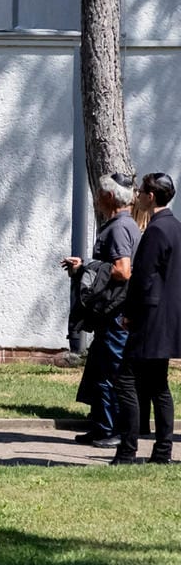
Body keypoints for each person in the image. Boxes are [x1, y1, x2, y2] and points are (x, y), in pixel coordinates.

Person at [64, 172, 139, 447]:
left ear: (108, 197)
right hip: (111, 312)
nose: (95, 199)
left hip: (114, 312)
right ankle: (100, 426)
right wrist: (83, 266)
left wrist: (89, 268)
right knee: (98, 371)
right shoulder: (122, 225)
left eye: (98, 194)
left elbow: (122, 270)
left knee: (110, 374)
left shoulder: (119, 228)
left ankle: (111, 431)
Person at [115, 173, 180, 465]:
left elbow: (143, 277)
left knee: (124, 380)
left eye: (140, 191)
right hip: (167, 319)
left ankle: (128, 450)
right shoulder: (176, 228)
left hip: (149, 319)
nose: (137, 195)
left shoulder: (156, 231)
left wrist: (129, 313)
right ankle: (163, 451)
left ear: (151, 196)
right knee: (158, 385)